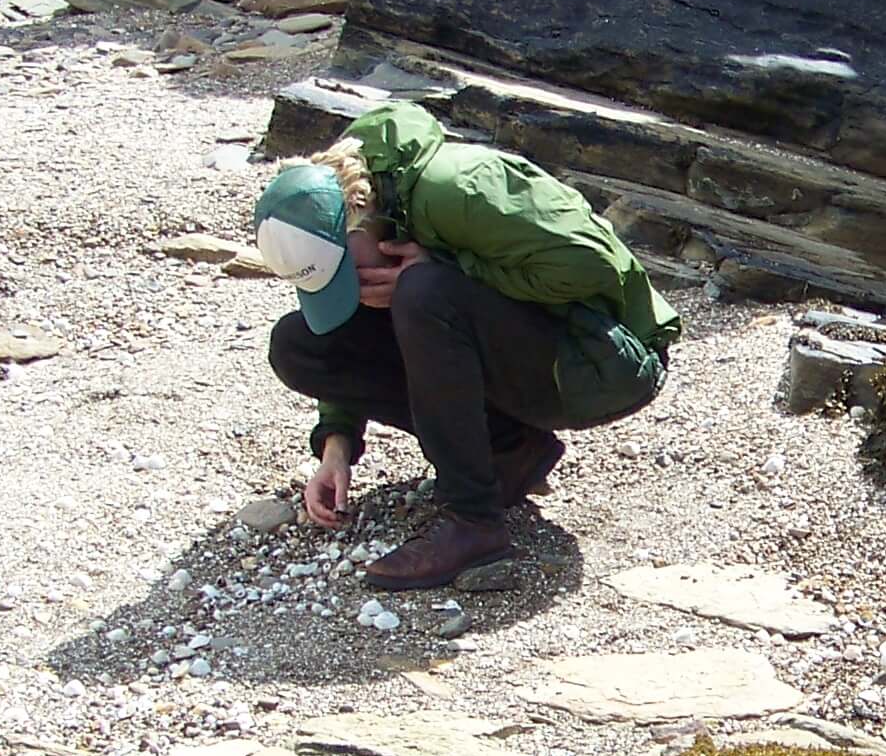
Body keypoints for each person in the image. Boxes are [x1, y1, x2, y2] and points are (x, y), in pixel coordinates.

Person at [254, 100, 680, 591]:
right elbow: (344, 331)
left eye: (345, 274)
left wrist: (444, 264)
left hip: (604, 362)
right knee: (298, 344)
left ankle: (474, 523)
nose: (351, 285)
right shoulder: (356, 208)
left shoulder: (455, 187)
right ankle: (509, 450)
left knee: (423, 293)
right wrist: (337, 445)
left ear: (355, 218)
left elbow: (592, 268)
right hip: (522, 345)